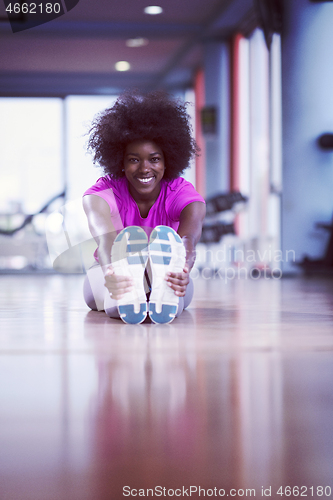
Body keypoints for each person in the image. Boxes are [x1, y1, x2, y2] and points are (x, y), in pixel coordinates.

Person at [82, 91, 206, 324]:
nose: (145, 168)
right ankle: (128, 280)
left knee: (100, 299)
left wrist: (183, 269)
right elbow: (107, 240)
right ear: (121, 161)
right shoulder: (102, 193)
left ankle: (154, 281)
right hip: (114, 267)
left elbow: (188, 237)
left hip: (168, 273)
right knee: (100, 289)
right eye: (134, 159)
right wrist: (111, 270)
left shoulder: (180, 193)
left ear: (168, 160)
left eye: (154, 159)